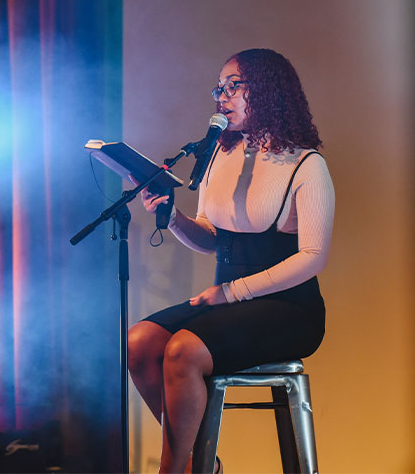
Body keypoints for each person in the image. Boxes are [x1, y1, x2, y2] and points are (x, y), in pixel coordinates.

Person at [128, 48, 335, 473]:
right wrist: (171, 217)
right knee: (140, 342)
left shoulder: (306, 164)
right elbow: (209, 238)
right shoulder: (218, 156)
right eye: (219, 87)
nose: (221, 96)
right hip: (226, 302)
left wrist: (231, 291)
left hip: (289, 309)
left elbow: (314, 257)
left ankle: (176, 470)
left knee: (183, 350)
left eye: (233, 86)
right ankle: (200, 465)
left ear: (267, 91)